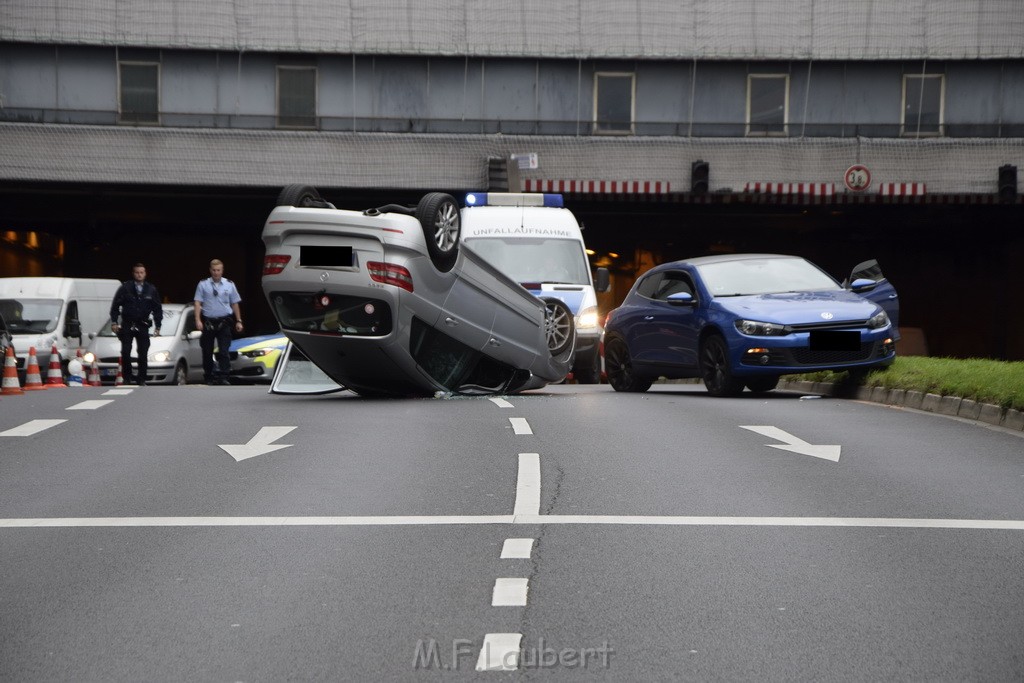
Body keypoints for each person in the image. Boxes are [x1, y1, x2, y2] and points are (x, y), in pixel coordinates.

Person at [109, 263, 162, 386]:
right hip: (128, 323)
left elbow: (157, 309)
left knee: (143, 353)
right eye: (137, 272)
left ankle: (141, 378)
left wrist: (158, 326)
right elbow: (115, 306)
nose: (139, 275)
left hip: (142, 324)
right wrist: (114, 322)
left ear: (145, 273)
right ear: (133, 273)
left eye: (141, 272)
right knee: (126, 352)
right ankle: (127, 377)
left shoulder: (151, 289)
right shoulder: (125, 288)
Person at [194, 258, 243, 385]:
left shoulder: (229, 284)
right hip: (209, 322)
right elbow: (198, 303)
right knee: (207, 350)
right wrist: (198, 320)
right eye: (214, 270)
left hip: (224, 321)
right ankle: (209, 375)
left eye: (218, 270)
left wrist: (239, 321)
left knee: (224, 351)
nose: (216, 273)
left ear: (222, 271)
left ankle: (224, 376)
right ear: (210, 270)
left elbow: (235, 303)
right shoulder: (203, 284)